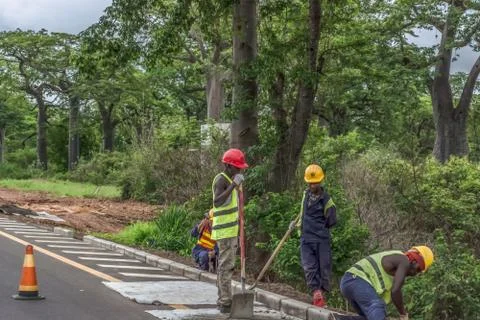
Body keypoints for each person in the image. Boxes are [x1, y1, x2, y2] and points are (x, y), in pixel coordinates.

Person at [338, 246, 434, 320]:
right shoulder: (404, 261)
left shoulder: (397, 272)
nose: (415, 274)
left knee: (371, 316)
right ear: (414, 260)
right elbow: (395, 291)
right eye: (418, 269)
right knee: (376, 305)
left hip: (350, 282)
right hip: (356, 279)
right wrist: (403, 314)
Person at [290, 164, 337, 307]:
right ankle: (316, 293)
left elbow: (332, 221)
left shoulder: (327, 201)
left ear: (321, 181)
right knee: (309, 266)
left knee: (324, 267)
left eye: (315, 183)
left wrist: (320, 228)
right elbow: (303, 213)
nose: (312, 185)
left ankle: (321, 294)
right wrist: (296, 224)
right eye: (310, 183)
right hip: (306, 238)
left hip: (321, 239)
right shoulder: (306, 195)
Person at [211, 148, 248, 314]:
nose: (239, 170)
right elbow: (217, 202)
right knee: (226, 267)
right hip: (225, 233)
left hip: (230, 231)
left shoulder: (228, 179)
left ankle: (223, 300)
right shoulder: (222, 180)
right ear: (229, 166)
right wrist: (233, 185)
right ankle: (225, 301)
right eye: (237, 167)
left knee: (225, 266)